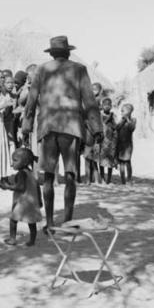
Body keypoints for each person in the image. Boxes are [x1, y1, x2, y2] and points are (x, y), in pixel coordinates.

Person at [22, 36, 103, 232]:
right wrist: (97, 128)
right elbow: (90, 101)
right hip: (71, 127)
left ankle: (49, 222)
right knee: (70, 175)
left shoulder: (41, 70)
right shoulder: (79, 69)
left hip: (48, 127)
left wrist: (26, 126)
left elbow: (31, 101)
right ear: (68, 52)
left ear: (51, 53)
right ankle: (67, 221)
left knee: (49, 176)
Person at [4, 147, 42, 247]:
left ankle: (12, 239)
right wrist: (40, 200)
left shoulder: (21, 174)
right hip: (32, 203)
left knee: (13, 220)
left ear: (24, 162)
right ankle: (32, 241)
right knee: (31, 223)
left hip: (23, 203)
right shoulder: (31, 173)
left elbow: (20, 187)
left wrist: (8, 186)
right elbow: (37, 187)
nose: (12, 163)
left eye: (15, 160)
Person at [115, 101, 136, 185]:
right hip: (120, 144)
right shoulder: (121, 120)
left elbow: (132, 128)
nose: (121, 112)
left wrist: (127, 119)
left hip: (128, 145)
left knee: (127, 161)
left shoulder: (133, 120)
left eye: (123, 111)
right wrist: (122, 120)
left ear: (129, 112)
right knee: (121, 163)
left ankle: (129, 178)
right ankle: (123, 180)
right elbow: (117, 128)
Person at [98, 97, 117, 184]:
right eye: (105, 105)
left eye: (108, 105)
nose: (107, 107)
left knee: (110, 161)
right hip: (102, 141)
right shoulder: (100, 115)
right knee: (101, 161)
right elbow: (100, 125)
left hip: (111, 141)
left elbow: (115, 127)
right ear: (102, 106)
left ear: (111, 106)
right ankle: (102, 177)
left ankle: (109, 179)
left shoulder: (113, 116)